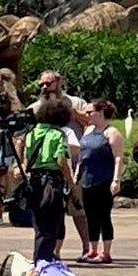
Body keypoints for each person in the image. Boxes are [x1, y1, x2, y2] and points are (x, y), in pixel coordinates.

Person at [19, 97, 76, 265]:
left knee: (39, 226)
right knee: (52, 225)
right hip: (51, 182)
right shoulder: (57, 134)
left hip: (34, 181)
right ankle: (44, 263)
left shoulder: (31, 134)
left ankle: (40, 259)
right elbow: (61, 161)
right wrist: (71, 183)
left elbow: (26, 158)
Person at [78, 99, 123, 264]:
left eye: (90, 112)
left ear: (101, 112)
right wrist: (77, 172)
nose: (87, 115)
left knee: (104, 215)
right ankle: (92, 250)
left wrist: (116, 180)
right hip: (86, 179)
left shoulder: (112, 132)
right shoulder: (88, 130)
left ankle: (106, 252)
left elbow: (118, 158)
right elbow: (83, 154)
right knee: (90, 216)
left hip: (104, 179)